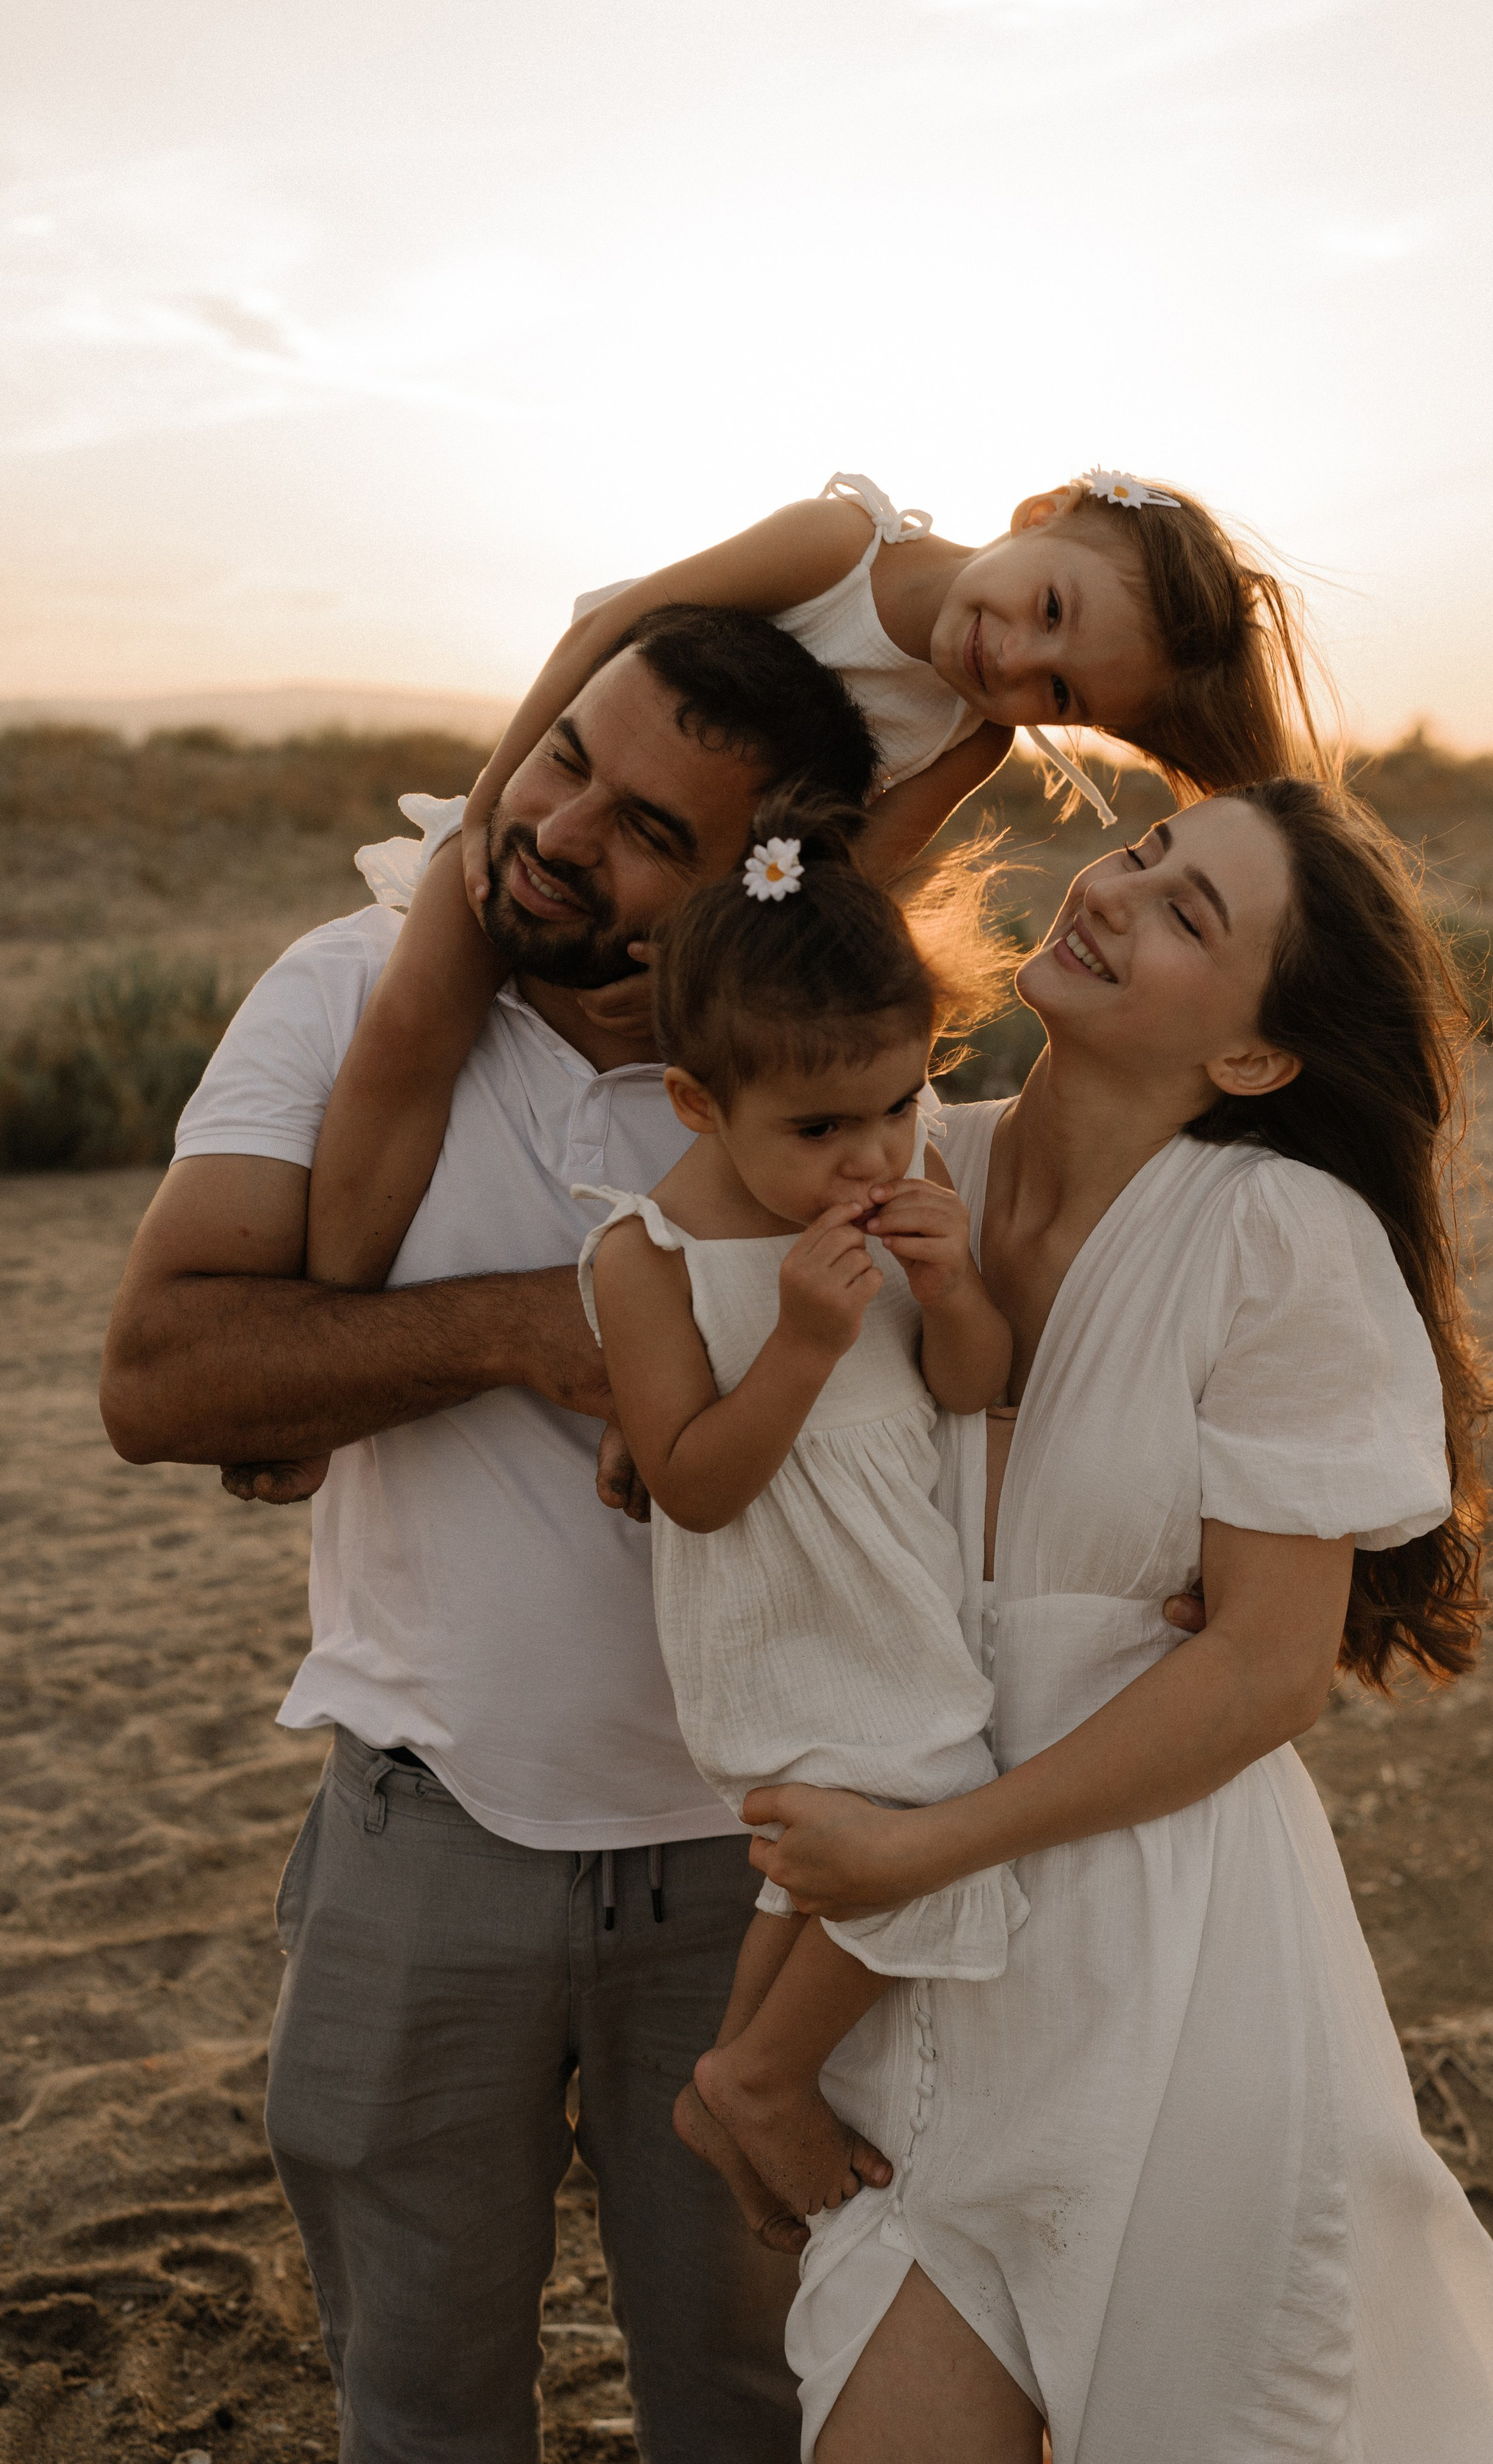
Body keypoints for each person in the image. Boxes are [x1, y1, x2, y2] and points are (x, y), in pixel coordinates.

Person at [740, 782, 1493, 2463]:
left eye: (1187, 914)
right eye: (1142, 852)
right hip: (897, 1975)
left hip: (1156, 1978)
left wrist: (922, 1855)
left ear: (1252, 1059)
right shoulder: (912, 1165)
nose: (1113, 891)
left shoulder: (1276, 1238)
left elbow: (1261, 1668)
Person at [98, 608, 884, 2464]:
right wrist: (535, 1327)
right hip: (421, 1833)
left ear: (752, 884)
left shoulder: (839, 1065)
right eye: (564, 760)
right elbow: (160, 1376)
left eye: (646, 829)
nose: (557, 826)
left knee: (766, 2401)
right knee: (420, 2403)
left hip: (764, 1867)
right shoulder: (344, 988)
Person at [300, 467, 1323, 1306]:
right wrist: (486, 812)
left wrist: (707, 964)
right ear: (1040, 513)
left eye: (1060, 690)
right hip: (552, 809)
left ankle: (668, 1338)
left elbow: (849, 876)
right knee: (417, 1018)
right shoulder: (840, 549)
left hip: (715, 904)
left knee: (753, 1107)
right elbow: (613, 626)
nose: (1011, 660)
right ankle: (329, 1311)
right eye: (1048, 607)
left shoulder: (973, 739)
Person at [573, 801, 1021, 2250]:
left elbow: (970, 1392)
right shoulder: (647, 1256)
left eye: (898, 1105)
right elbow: (691, 1484)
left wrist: (953, 1293)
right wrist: (800, 1348)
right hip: (782, 1607)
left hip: (896, 1588)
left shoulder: (911, 1179)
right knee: (926, 1810)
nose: (869, 1157)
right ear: (698, 1105)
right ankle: (767, 2075)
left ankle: (727, 2074)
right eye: (818, 1128)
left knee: (853, 1833)